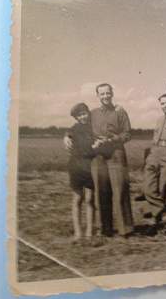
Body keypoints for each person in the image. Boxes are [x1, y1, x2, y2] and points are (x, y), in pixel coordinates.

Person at [64, 83, 134, 237]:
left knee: (120, 189)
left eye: (108, 93)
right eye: (102, 94)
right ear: (98, 96)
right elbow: (78, 125)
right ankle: (105, 229)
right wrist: (67, 135)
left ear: (112, 93)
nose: (105, 96)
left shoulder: (120, 112)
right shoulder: (93, 113)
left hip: (116, 153)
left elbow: (127, 134)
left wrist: (111, 139)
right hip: (98, 156)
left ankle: (125, 229)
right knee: (102, 191)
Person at [143, 93, 166, 228]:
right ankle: (163, 211)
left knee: (165, 185)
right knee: (148, 187)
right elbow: (155, 138)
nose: (165, 106)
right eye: (163, 103)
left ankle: (158, 216)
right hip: (155, 153)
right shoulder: (159, 119)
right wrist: (152, 153)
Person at [67, 103, 95, 241]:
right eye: (80, 115)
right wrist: (66, 136)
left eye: (85, 113)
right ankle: (78, 232)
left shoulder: (94, 127)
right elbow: (68, 136)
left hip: (90, 166)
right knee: (77, 198)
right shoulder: (73, 129)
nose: (83, 116)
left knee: (90, 199)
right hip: (76, 166)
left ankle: (90, 232)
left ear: (88, 113)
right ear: (76, 117)